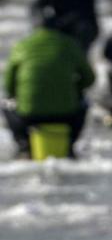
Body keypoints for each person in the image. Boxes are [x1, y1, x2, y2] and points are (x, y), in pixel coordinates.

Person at [4, 10, 95, 158]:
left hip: (29, 115)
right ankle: (70, 144)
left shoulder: (22, 46)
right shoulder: (69, 44)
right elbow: (89, 79)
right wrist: (75, 89)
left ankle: (24, 144)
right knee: (85, 102)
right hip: (66, 115)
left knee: (5, 104)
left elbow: (8, 86)